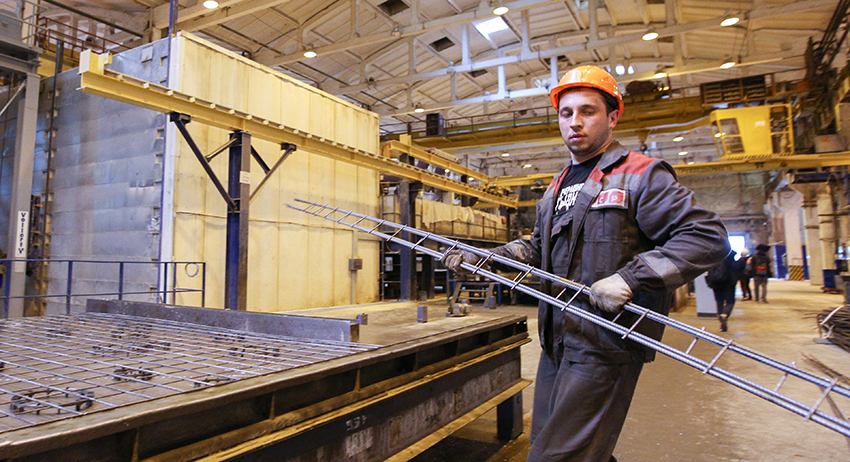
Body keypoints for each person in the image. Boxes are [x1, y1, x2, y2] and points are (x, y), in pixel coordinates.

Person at [443, 65, 729, 462]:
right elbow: (538, 249)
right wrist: (484, 259)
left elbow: (707, 237)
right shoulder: (558, 185)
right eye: (566, 113)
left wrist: (630, 279)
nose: (574, 122)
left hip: (605, 346)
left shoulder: (640, 174)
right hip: (557, 342)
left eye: (587, 111)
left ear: (613, 117)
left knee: (554, 458)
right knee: (556, 447)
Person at [707, 251, 738, 332]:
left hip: (716, 282)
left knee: (719, 301)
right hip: (729, 283)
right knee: (730, 301)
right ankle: (724, 314)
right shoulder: (730, 257)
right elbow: (736, 269)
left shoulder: (713, 256)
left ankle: (722, 324)